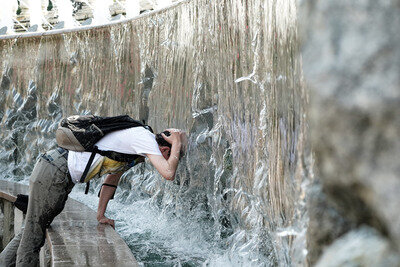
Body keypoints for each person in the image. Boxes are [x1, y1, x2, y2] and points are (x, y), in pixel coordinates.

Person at [0, 126, 185, 267]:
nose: (171, 159)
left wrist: (100, 214)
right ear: (165, 151)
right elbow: (168, 173)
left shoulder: (137, 150)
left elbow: (112, 179)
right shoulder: (145, 139)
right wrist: (177, 142)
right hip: (55, 170)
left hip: (58, 172)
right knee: (34, 233)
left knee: (32, 228)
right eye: (173, 154)